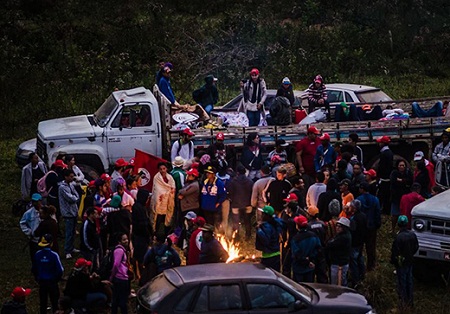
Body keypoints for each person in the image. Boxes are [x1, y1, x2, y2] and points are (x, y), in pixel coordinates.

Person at [390, 215, 419, 310]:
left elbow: (395, 251)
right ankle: (410, 301)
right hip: (410, 261)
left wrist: (394, 261)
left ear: (398, 224)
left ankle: (403, 303)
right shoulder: (412, 235)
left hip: (401, 263)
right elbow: (416, 247)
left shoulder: (399, 238)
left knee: (402, 282)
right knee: (409, 281)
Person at [32, 234, 64, 314]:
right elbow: (60, 270)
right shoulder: (54, 255)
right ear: (51, 243)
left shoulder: (37, 254)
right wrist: (56, 279)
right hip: (52, 282)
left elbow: (34, 268)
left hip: (42, 282)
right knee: (55, 302)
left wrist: (37, 278)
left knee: (43, 303)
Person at [357, 182, 381, 271]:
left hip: (361, 227)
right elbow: (378, 213)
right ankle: (371, 265)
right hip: (372, 226)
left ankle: (359, 264)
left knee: (359, 247)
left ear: (362, 189)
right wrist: (377, 224)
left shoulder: (359, 199)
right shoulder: (375, 199)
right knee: (371, 247)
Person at [290, 215, 321, 283]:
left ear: (297, 226)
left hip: (298, 269)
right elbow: (318, 249)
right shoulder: (314, 235)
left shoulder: (296, 239)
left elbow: (296, 254)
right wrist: (311, 260)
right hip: (310, 268)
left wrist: (306, 261)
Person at [255, 206, 285, 272]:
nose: (261, 215)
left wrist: (259, 230)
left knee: (267, 276)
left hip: (269, 256)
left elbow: (265, 240)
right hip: (276, 254)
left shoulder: (267, 226)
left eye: (263, 213)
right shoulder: (275, 223)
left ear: (266, 215)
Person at [59, 168, 80, 260]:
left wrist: (75, 198)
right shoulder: (62, 187)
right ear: (66, 177)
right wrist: (75, 198)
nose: (72, 178)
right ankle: (67, 250)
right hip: (68, 212)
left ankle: (72, 247)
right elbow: (70, 198)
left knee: (73, 231)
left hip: (73, 211)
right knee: (68, 232)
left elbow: (76, 195)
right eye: (71, 177)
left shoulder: (71, 185)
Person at [228, 165, 254, 240]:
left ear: (237, 172)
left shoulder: (233, 181)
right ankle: (248, 235)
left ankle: (236, 236)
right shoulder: (250, 181)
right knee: (247, 221)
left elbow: (230, 193)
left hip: (236, 204)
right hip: (247, 204)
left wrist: (232, 200)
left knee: (236, 221)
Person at [150, 162, 176, 237]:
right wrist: (166, 192)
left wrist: (168, 192)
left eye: (164, 169)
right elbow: (158, 191)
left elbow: (172, 188)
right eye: (161, 169)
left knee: (166, 219)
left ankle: (165, 235)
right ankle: (156, 234)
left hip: (168, 201)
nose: (162, 170)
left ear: (166, 169)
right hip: (159, 202)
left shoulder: (170, 178)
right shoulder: (156, 178)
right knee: (158, 219)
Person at [131, 189, 152, 281]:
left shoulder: (141, 207)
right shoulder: (138, 208)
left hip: (141, 235)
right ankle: (139, 275)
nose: (148, 200)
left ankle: (139, 275)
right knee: (140, 257)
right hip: (140, 236)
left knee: (139, 256)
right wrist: (148, 234)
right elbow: (142, 224)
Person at [326, 217, 352, 286]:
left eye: (339, 226)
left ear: (344, 228)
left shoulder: (342, 238)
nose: (337, 228)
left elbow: (330, 245)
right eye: (337, 225)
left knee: (336, 284)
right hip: (341, 262)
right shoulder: (344, 235)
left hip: (338, 264)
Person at [347, 200, 368, 288]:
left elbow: (352, 231)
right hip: (361, 241)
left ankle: (355, 281)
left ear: (354, 208)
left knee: (354, 262)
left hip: (354, 243)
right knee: (360, 258)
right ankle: (362, 276)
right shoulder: (364, 216)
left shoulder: (354, 218)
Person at [110, 233, 131, 314]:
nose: (126, 241)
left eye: (126, 239)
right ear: (119, 241)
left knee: (117, 299)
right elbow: (116, 264)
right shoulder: (119, 250)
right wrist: (112, 277)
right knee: (120, 300)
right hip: (120, 278)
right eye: (124, 239)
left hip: (122, 278)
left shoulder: (122, 250)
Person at [390, 160, 413, 233]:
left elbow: (410, 181)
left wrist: (402, 181)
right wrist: (403, 182)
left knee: (404, 214)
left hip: (405, 197)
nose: (401, 167)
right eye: (400, 165)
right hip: (395, 196)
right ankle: (393, 228)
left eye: (403, 165)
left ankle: (402, 229)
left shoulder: (408, 172)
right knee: (394, 214)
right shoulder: (394, 173)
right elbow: (393, 181)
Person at [20, 193, 43, 262]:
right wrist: (28, 232)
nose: (35, 203)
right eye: (34, 201)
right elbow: (22, 223)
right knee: (34, 257)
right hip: (34, 240)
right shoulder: (28, 213)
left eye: (37, 201)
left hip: (44, 239)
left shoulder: (45, 211)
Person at [376, 135, 394, 214]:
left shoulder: (384, 154)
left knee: (383, 195)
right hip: (386, 178)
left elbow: (382, 167)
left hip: (384, 179)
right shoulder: (389, 153)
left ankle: (385, 211)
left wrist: (379, 176)